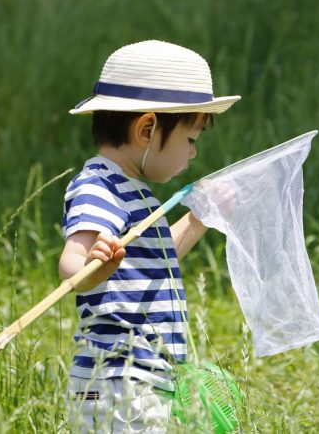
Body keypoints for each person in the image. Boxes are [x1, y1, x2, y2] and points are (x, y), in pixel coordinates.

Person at [59, 40, 240, 433]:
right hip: (117, 384)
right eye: (190, 140)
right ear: (147, 129)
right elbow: (72, 263)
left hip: (137, 382)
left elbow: (157, 259)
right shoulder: (100, 187)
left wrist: (199, 219)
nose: (192, 154)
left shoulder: (135, 191)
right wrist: (94, 267)